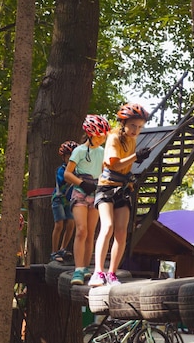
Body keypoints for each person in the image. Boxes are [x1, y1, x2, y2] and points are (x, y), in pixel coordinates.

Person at [89, 103, 151, 287]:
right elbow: (114, 164)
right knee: (107, 226)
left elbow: (125, 167)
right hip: (107, 187)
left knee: (122, 232)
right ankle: (98, 272)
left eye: (140, 127)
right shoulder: (114, 138)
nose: (136, 130)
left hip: (123, 188)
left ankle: (112, 274)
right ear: (124, 123)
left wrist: (136, 158)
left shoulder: (132, 140)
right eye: (133, 125)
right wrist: (136, 157)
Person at [65, 114, 111, 285]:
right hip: (80, 191)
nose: (101, 139)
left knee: (91, 233)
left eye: (103, 136)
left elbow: (107, 170)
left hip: (97, 192)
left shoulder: (102, 152)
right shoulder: (79, 151)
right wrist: (82, 183)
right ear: (91, 134)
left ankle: (85, 268)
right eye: (99, 136)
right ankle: (78, 270)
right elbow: (67, 174)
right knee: (81, 230)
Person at [50, 140, 78, 263]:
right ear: (64, 157)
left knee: (71, 224)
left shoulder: (77, 170)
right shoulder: (61, 170)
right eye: (69, 157)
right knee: (59, 224)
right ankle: (54, 251)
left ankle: (63, 248)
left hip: (70, 200)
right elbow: (66, 181)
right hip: (59, 199)